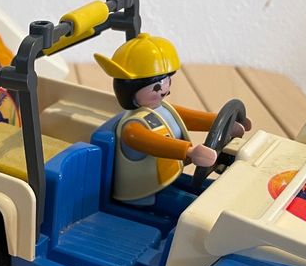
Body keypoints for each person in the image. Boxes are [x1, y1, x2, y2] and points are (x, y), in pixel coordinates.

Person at [94, 34, 251, 205]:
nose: (164, 89)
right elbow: (155, 143)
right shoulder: (132, 127)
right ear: (130, 90)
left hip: (167, 178)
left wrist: (224, 123)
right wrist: (189, 151)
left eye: (166, 81)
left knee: (215, 193)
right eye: (156, 86)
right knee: (200, 205)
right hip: (142, 192)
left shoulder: (162, 108)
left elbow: (191, 117)